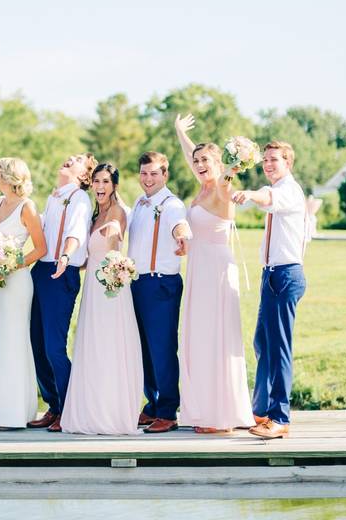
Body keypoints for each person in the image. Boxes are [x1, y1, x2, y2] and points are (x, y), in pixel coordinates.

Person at [173, 113, 255, 433]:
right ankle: (204, 409)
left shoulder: (221, 186)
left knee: (215, 337)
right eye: (196, 161)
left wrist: (236, 164)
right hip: (198, 268)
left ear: (219, 162)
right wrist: (181, 132)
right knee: (199, 338)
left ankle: (221, 417)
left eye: (205, 160)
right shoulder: (203, 186)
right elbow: (193, 157)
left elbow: (224, 176)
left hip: (217, 269)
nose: (199, 164)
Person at [232, 141, 309, 439]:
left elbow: (266, 197)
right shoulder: (275, 190)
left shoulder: (288, 190)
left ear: (288, 162)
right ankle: (260, 410)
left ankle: (280, 417)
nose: (268, 164)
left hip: (285, 275)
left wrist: (251, 193)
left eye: (274, 159)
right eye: (265, 159)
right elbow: (257, 198)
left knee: (279, 350)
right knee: (262, 344)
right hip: (271, 276)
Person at [60, 163, 143, 435]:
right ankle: (90, 410)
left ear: (114, 185)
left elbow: (117, 234)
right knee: (92, 345)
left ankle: (110, 414)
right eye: (96, 181)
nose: (100, 186)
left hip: (110, 290)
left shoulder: (117, 212)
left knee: (108, 347)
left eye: (106, 182)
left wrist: (115, 234)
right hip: (92, 289)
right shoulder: (96, 214)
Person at [0, 157, 46, 429]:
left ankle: (13, 413)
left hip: (16, 283)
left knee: (13, 342)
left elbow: (40, 248)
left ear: (7, 177)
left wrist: (10, 265)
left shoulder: (27, 207)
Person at [28, 153, 96, 432]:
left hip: (60, 272)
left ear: (83, 176)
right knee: (37, 342)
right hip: (41, 272)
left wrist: (66, 257)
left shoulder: (79, 198)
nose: (69, 158)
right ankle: (53, 405)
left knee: (55, 346)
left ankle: (68, 408)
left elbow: (76, 233)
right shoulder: (54, 197)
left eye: (77, 159)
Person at [127, 152, 192, 434]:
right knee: (144, 348)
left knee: (162, 348)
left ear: (165, 175)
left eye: (154, 174)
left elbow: (180, 224)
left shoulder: (171, 204)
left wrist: (181, 236)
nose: (148, 179)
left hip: (161, 283)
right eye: (144, 173)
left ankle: (168, 410)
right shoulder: (140, 204)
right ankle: (152, 404)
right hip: (138, 283)